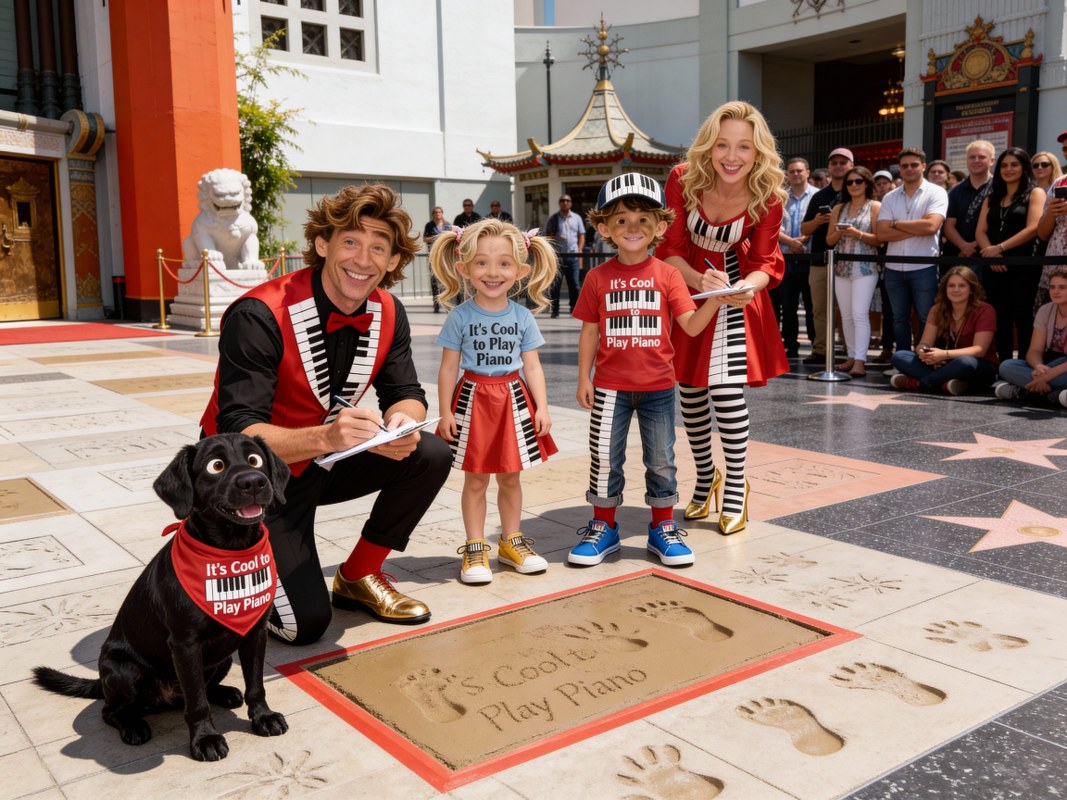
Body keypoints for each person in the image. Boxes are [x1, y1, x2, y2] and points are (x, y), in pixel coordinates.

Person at [201, 184, 453, 645]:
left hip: (322, 462)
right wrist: (326, 438)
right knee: (306, 627)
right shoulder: (258, 314)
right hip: (250, 478)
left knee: (430, 451)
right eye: (350, 242)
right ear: (322, 245)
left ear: (393, 261)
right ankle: (227, 550)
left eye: (379, 247)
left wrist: (402, 420)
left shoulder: (390, 311)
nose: (363, 259)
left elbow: (407, 391)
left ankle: (358, 576)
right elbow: (236, 431)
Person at [570, 173, 722, 567]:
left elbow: (689, 325)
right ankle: (603, 527)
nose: (632, 228)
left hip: (658, 388)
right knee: (604, 456)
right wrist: (582, 377)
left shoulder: (669, 275)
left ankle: (662, 528)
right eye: (621, 220)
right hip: (608, 387)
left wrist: (717, 300)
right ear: (604, 228)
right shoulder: (597, 277)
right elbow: (589, 331)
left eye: (642, 219)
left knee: (661, 460)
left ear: (660, 226)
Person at [657, 101, 789, 535]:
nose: (732, 157)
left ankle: (735, 486)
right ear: (708, 147)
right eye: (722, 145)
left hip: (736, 296)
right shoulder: (682, 179)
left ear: (758, 151)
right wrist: (698, 281)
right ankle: (705, 479)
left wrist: (746, 287)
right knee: (691, 393)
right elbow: (670, 246)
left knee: (727, 393)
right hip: (687, 284)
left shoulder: (768, 193)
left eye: (744, 147)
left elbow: (767, 259)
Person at [430, 219, 559, 584]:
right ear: (464, 269)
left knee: (511, 479)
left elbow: (532, 367)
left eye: (504, 263)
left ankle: (510, 541)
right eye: (482, 263)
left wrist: (543, 407)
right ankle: (475, 547)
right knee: (475, 481)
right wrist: (444, 412)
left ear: (520, 270)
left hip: (513, 402)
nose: (493, 272)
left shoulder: (522, 317)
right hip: (473, 401)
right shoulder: (460, 316)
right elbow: (447, 368)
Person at [875, 147, 948, 354]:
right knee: (899, 318)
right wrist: (916, 227)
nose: (909, 169)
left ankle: (924, 358)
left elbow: (931, 227)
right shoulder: (890, 197)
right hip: (893, 267)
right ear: (899, 168)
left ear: (923, 166)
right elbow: (882, 233)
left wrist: (895, 224)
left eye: (914, 165)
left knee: (927, 316)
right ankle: (903, 359)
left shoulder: (937, 192)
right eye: (905, 166)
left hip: (924, 265)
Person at [975, 147, 1045, 360]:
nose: (1008, 169)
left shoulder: (1035, 192)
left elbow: (1033, 228)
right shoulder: (992, 197)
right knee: (999, 318)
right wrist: (992, 255)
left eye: (1014, 164)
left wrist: (1001, 248)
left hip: (1022, 267)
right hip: (993, 266)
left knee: (1023, 318)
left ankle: (1022, 366)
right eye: (1004, 165)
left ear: (1024, 167)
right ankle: (1002, 364)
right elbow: (980, 231)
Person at [890, 266, 998, 395]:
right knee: (900, 356)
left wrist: (944, 354)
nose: (956, 290)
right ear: (945, 289)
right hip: (944, 362)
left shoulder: (985, 310)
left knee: (964, 362)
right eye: (951, 286)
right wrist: (925, 354)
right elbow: (924, 344)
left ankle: (919, 383)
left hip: (977, 365)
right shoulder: (937, 310)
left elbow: (979, 350)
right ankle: (947, 384)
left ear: (971, 290)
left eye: (962, 286)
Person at [826, 166, 881, 377]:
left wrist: (856, 233)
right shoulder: (839, 208)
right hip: (841, 268)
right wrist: (841, 233)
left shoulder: (875, 206)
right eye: (849, 182)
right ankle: (851, 356)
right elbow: (828, 240)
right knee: (846, 316)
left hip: (865, 267)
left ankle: (860, 360)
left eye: (858, 181)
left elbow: (879, 239)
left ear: (867, 183)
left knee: (859, 314)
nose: (854, 185)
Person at [800, 147, 853, 364]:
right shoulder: (819, 195)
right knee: (819, 309)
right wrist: (818, 222)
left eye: (843, 162)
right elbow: (805, 229)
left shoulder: (857, 192)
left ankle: (852, 353)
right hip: (820, 260)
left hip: (851, 261)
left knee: (850, 311)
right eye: (835, 162)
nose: (838, 166)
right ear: (829, 167)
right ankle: (821, 349)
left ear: (851, 165)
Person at [994, 266, 1067, 408]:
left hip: (1063, 367)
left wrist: (1046, 377)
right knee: (1007, 366)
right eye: (1052, 287)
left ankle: (1023, 391)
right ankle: (1055, 395)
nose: (1056, 292)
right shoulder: (1046, 310)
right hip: (1049, 365)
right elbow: (1034, 351)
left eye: (1062, 287)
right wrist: (1039, 368)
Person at [778, 157, 816, 359]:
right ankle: (790, 346)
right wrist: (792, 243)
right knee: (788, 305)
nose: (795, 174)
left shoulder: (816, 196)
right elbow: (773, 227)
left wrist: (800, 241)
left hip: (810, 258)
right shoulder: (781, 197)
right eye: (791, 171)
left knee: (812, 306)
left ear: (807, 172)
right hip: (786, 258)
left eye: (799, 170)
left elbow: (817, 224)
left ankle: (815, 347)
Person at [943, 139, 995, 280]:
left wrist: (975, 245)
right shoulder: (955, 191)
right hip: (959, 258)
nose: (976, 160)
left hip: (990, 259)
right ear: (967, 160)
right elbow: (948, 225)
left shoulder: (1000, 189)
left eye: (982, 157)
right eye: (972, 157)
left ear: (992, 161)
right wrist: (964, 246)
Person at [1035, 141, 1067, 310]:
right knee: (1050, 327)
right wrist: (1051, 214)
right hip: (1054, 273)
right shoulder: (1059, 183)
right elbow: (1042, 233)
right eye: (1065, 148)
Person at [545, 193, 585, 317]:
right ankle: (555, 310)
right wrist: (557, 237)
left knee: (574, 284)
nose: (565, 202)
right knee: (555, 285)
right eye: (562, 200)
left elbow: (581, 234)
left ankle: (574, 309)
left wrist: (580, 249)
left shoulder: (577, 218)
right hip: (558, 256)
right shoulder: (554, 218)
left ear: (571, 203)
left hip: (573, 255)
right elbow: (548, 236)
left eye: (567, 200)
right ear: (559, 203)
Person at [423, 206, 452, 313]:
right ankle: (436, 305)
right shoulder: (429, 225)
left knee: (446, 280)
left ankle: (447, 303)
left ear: (442, 213)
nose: (438, 214)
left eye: (440, 212)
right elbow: (425, 238)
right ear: (433, 214)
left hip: (445, 256)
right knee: (434, 281)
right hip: (433, 255)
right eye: (436, 212)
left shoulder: (447, 225)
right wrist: (437, 237)